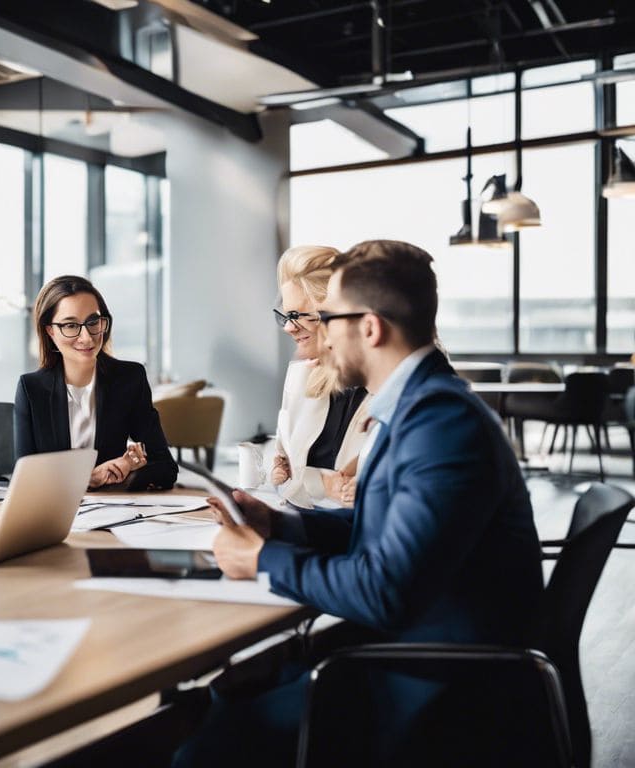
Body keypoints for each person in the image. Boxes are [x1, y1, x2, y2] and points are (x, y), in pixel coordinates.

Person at [177, 240, 543, 766]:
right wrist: (283, 527)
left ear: (369, 328)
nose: (318, 332)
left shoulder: (441, 425)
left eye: (328, 317)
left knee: (208, 748)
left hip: (441, 683)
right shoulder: (424, 407)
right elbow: (385, 529)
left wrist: (262, 558)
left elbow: (384, 590)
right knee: (228, 692)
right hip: (415, 646)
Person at [14, 275, 175, 491]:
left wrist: (127, 466)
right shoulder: (31, 389)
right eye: (71, 325)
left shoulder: (129, 379)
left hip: (111, 511)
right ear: (50, 331)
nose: (87, 337)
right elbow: (26, 478)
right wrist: (88, 478)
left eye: (93, 322)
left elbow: (165, 467)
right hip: (49, 510)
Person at [271, 245, 372, 506]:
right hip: (305, 522)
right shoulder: (300, 376)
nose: (289, 328)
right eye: (285, 316)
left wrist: (306, 480)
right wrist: (314, 481)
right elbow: (285, 476)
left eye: (297, 316)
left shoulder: (382, 386)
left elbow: (365, 492)